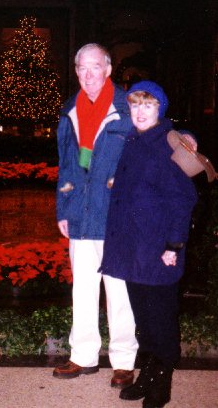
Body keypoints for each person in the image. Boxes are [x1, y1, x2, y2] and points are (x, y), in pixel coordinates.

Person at [100, 81, 198, 407]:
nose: (140, 112)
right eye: (136, 105)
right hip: (132, 248)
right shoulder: (132, 140)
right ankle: (148, 371)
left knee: (161, 318)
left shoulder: (171, 144)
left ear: (160, 109)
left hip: (158, 250)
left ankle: (163, 380)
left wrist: (174, 245)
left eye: (148, 105)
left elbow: (183, 199)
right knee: (143, 319)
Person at [53, 43, 139, 388]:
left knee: (119, 292)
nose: (88, 75)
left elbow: (160, 139)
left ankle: (123, 360)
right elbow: (66, 166)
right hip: (80, 212)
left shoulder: (128, 108)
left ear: (107, 69)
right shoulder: (69, 110)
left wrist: (188, 140)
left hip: (116, 214)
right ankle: (83, 356)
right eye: (81, 69)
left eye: (95, 67)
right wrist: (62, 208)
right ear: (76, 72)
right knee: (83, 290)